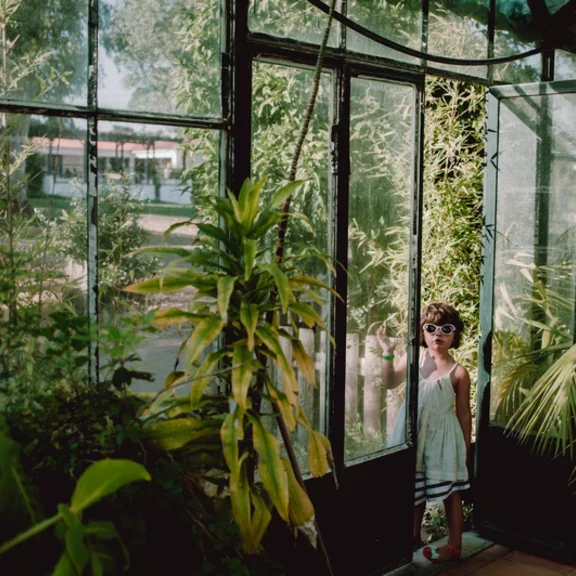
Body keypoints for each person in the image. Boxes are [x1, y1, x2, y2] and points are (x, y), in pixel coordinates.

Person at [377, 302, 471, 563]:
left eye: (445, 328)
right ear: (423, 332)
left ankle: (455, 544)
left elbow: (463, 413)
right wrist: (387, 352)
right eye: (430, 328)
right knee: (413, 485)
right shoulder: (414, 357)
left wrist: (465, 447)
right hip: (413, 431)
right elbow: (389, 382)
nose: (437, 334)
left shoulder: (459, 372)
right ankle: (412, 535)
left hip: (443, 439)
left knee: (451, 489)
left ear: (455, 334)